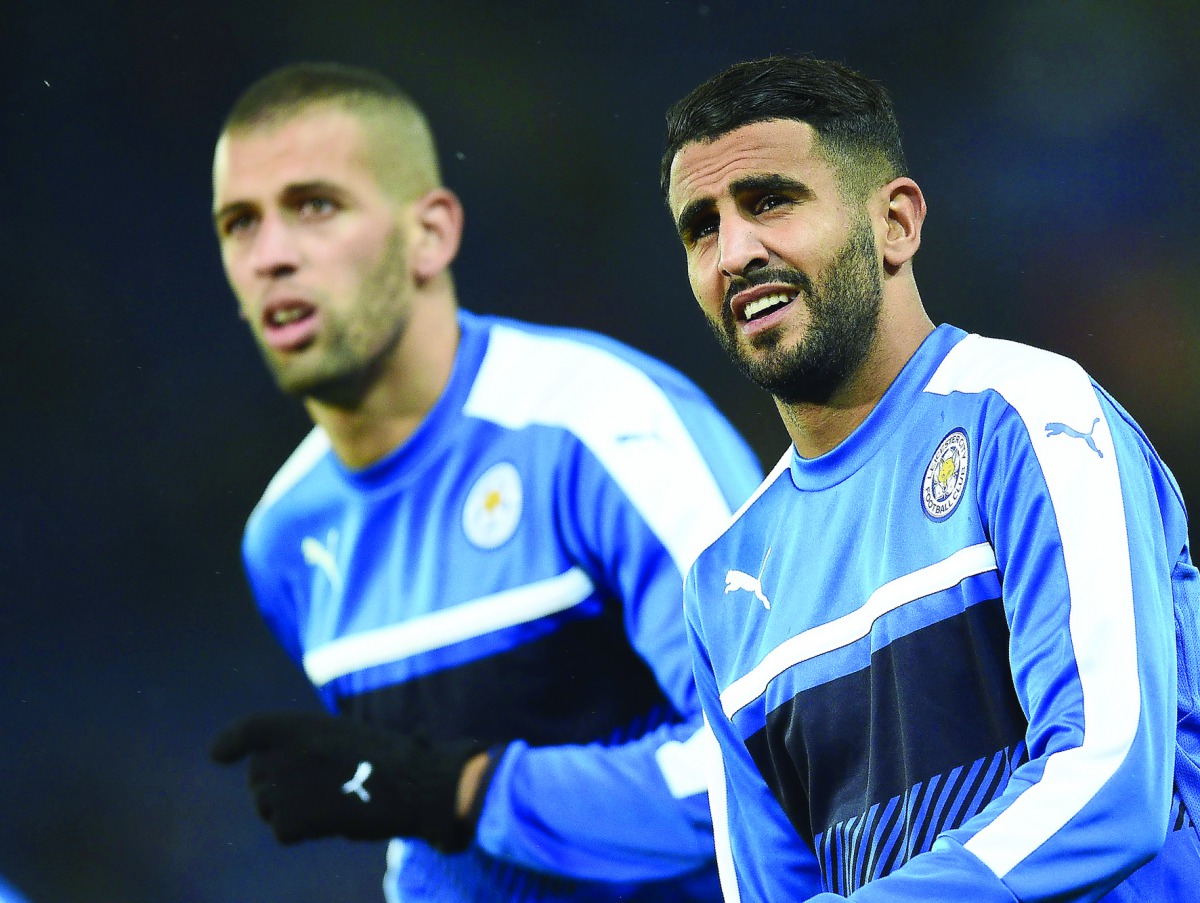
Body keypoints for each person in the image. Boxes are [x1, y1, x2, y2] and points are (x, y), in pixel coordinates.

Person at [207, 62, 763, 902]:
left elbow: (777, 760)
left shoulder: (601, 428)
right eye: (239, 224)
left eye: (314, 206)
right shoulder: (284, 538)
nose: (272, 255)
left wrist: (466, 790)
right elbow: (416, 823)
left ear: (430, 233)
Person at [660, 55, 1200, 902]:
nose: (735, 251)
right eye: (701, 226)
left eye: (771, 201)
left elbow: (1110, 777)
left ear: (896, 224)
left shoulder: (1025, 413)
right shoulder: (724, 579)